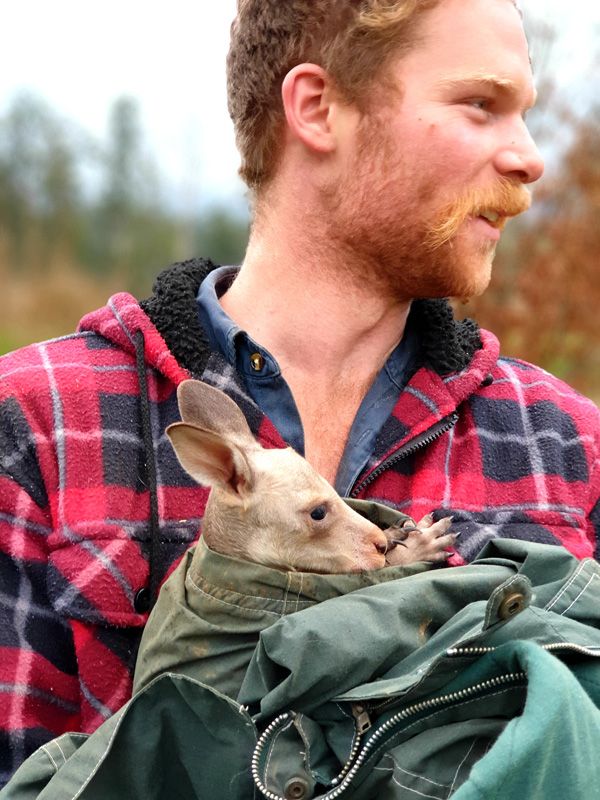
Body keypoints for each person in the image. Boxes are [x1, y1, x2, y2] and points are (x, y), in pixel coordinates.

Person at [0, 0, 598, 787]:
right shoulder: (40, 424)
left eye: (520, 114)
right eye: (480, 105)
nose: (529, 160)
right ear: (318, 108)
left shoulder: (568, 447)